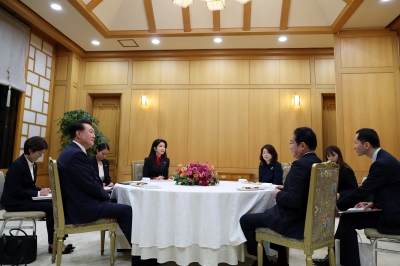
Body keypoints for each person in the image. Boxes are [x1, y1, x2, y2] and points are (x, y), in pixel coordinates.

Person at [56, 119, 147, 265]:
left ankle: (135, 249)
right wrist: (106, 195)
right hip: (83, 207)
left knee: (119, 203)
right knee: (126, 210)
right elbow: (89, 185)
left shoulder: (71, 151)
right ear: (79, 134)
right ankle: (141, 257)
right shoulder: (76, 155)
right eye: (91, 132)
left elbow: (89, 183)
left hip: (78, 202)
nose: (94, 135)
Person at [240, 127, 322, 266]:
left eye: (291, 142)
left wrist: (278, 194)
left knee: (245, 220)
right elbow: (308, 190)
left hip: (293, 221)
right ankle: (282, 261)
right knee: (267, 213)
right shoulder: (318, 163)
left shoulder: (300, 165)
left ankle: (263, 262)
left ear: (302, 145)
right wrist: (287, 188)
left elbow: (293, 201)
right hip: (313, 221)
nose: (290, 147)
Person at [332, 128, 400, 266]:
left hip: (394, 217)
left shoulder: (381, 163)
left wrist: (338, 206)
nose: (353, 146)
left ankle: (348, 263)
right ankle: (333, 259)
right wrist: (373, 203)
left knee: (346, 219)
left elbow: (363, 190)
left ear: (366, 145)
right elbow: (387, 190)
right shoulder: (384, 159)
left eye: (355, 142)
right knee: (347, 218)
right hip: (390, 209)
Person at [1, 136, 74, 254]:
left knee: (58, 202)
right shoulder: (17, 166)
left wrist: (43, 191)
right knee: (51, 207)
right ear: (30, 150)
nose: (41, 155)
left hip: (23, 199)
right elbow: (15, 191)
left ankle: (59, 239)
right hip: (14, 202)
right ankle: (53, 244)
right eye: (40, 152)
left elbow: (30, 186)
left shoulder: (33, 164)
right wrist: (38, 193)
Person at [312, 145, 358, 266]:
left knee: (340, 229)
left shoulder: (346, 170)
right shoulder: (328, 170)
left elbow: (354, 190)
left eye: (333, 155)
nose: (331, 158)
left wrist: (340, 194)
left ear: (339, 156)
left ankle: (331, 256)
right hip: (333, 202)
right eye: (328, 156)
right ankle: (331, 255)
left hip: (346, 203)